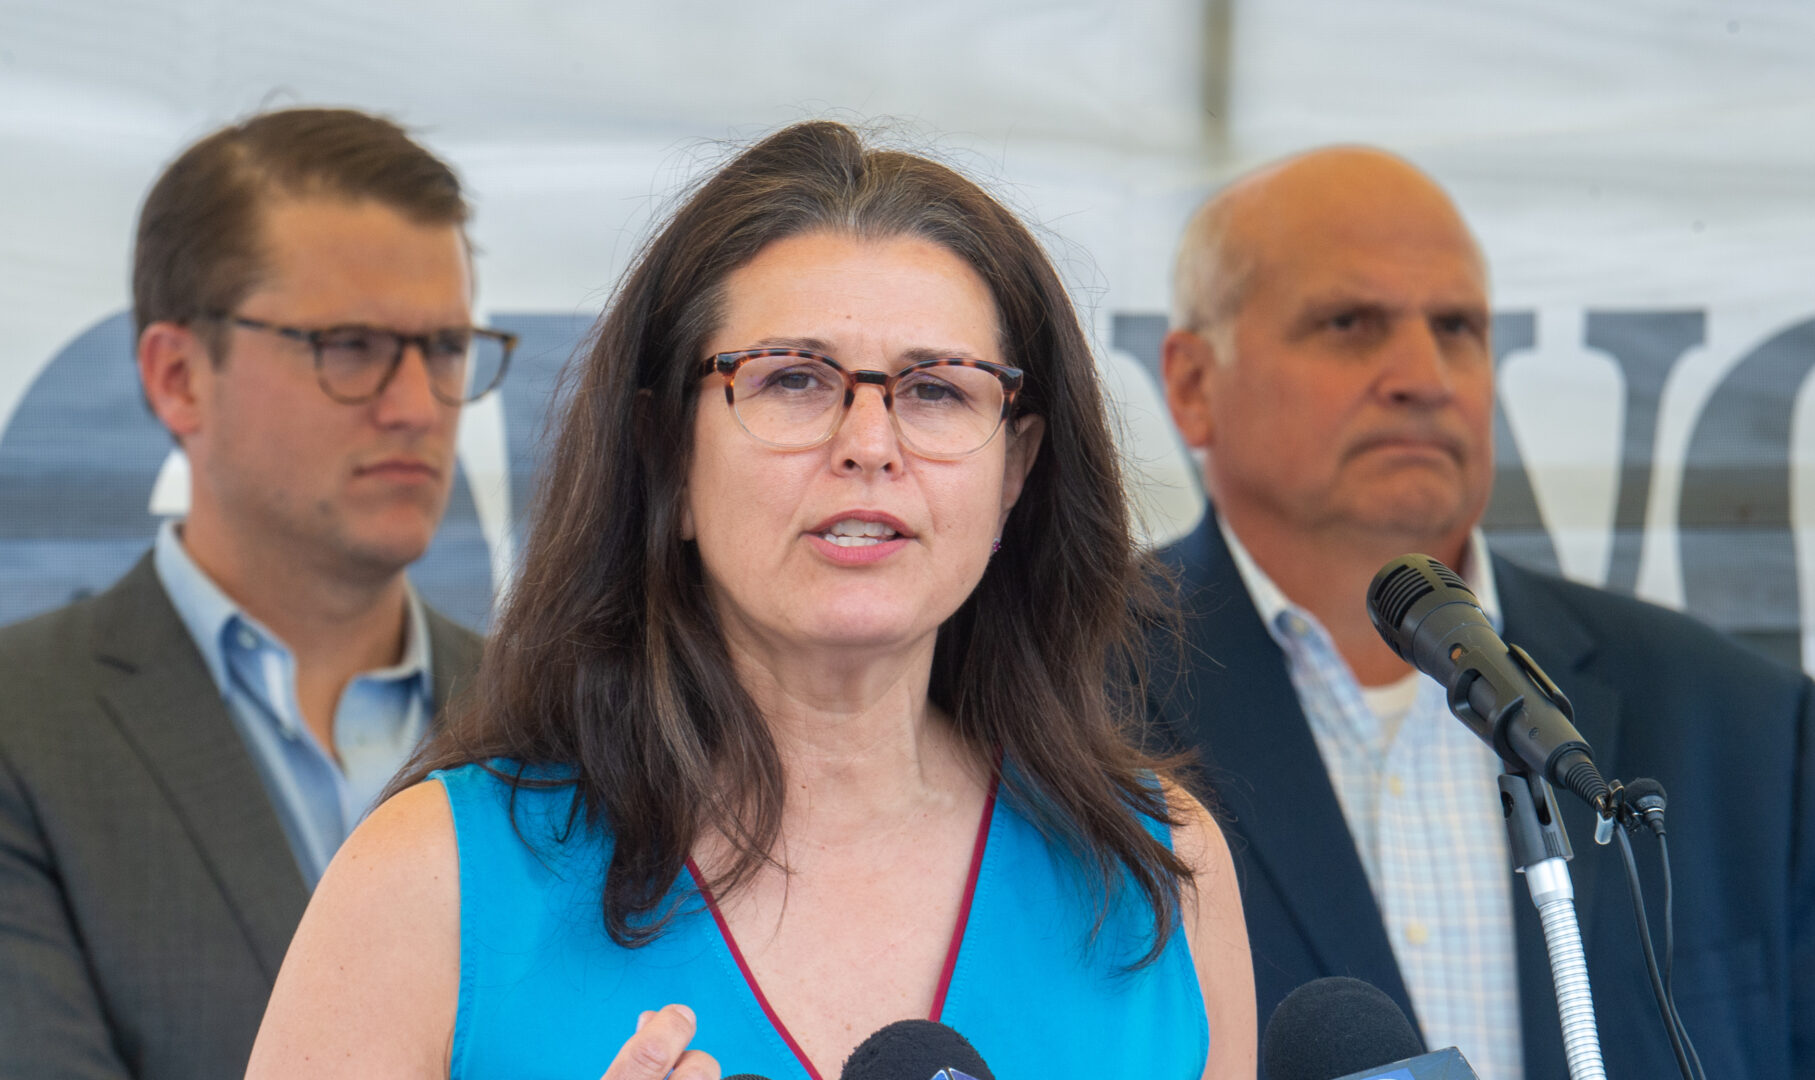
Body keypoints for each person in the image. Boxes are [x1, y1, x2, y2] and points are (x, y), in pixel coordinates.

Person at [244, 120, 1257, 1079]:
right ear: (665, 457)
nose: (870, 444)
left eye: (938, 389)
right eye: (793, 381)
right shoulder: (428, 881)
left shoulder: (1161, 871)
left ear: (1015, 473)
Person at [1152, 145, 1814, 1079]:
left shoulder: (1745, 728)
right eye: (1348, 323)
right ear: (1191, 384)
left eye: (1456, 327)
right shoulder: (1048, 697)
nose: (1423, 375)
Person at [0, 108, 501, 1078]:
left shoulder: (563, 722)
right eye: (349, 345)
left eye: (444, 347)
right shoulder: (22, 731)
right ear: (179, 377)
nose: (415, 406)